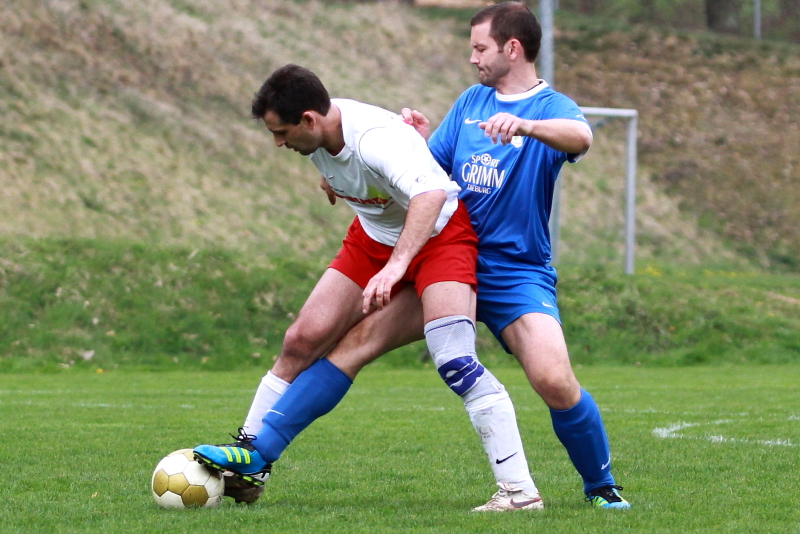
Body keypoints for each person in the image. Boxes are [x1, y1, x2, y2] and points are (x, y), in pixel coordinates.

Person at [194, 63, 544, 511]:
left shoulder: (375, 137)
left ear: (309, 120)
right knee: (302, 339)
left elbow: (430, 195)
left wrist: (396, 268)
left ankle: (519, 492)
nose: (279, 143)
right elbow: (351, 169)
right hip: (372, 239)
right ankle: (251, 458)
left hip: (440, 238)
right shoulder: (318, 136)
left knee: (455, 359)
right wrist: (333, 180)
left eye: (281, 133)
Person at [397, 1, 630, 509]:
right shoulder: (470, 101)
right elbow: (430, 174)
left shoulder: (551, 107)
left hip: (517, 272)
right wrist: (416, 141)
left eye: (480, 48)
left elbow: (582, 137)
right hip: (449, 262)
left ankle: (601, 487)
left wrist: (524, 126)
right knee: (346, 344)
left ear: (513, 48)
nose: (473, 58)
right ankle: (257, 452)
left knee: (554, 380)